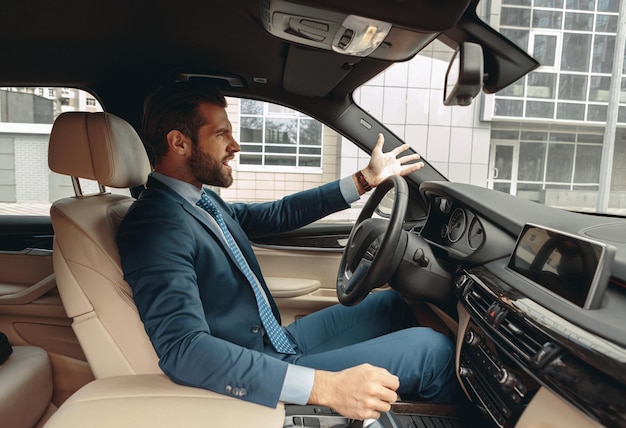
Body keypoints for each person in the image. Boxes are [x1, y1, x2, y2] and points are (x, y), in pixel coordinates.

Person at [116, 81, 456, 421]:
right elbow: (183, 350)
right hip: (259, 363)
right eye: (221, 135)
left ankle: (386, 407)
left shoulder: (196, 200)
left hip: (273, 341)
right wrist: (326, 387)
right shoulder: (156, 224)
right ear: (179, 143)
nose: (234, 146)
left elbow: (277, 214)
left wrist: (365, 179)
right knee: (434, 352)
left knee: (389, 305)